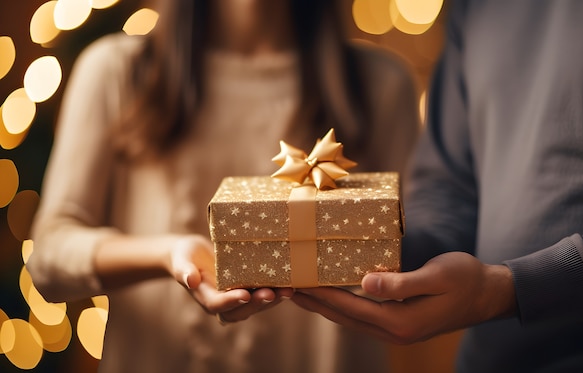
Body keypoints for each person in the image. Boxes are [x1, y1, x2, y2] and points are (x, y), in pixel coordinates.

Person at [25, 0, 419, 372]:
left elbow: (414, 252)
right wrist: (168, 253)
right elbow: (48, 256)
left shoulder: (381, 84)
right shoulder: (115, 71)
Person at [291, 0, 583, 372]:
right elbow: (449, 187)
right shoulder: (475, 7)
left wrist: (504, 290)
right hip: (486, 361)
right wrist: (367, 248)